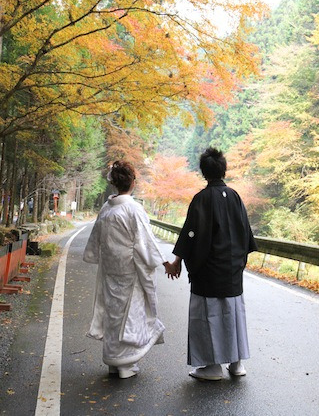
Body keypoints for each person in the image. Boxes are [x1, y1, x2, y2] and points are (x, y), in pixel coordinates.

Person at [83, 160, 175, 379]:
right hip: (129, 270)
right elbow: (146, 242)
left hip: (110, 268)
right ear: (132, 182)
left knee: (113, 313)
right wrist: (165, 263)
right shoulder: (133, 209)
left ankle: (114, 361)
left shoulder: (107, 208)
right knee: (130, 314)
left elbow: (96, 238)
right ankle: (125, 363)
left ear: (114, 183)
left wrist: (98, 255)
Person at [172, 147, 257, 381]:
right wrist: (238, 261)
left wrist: (178, 260)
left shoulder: (202, 198)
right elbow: (245, 234)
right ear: (224, 170)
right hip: (232, 271)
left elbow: (191, 233)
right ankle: (236, 364)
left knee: (208, 318)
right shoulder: (235, 197)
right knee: (233, 315)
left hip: (208, 273)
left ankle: (212, 367)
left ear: (203, 172)